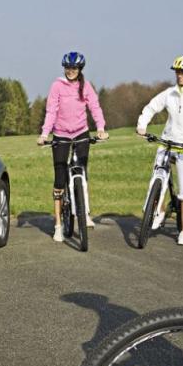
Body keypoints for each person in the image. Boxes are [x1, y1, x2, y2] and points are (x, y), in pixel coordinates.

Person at [136, 54, 183, 246]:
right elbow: (151, 108)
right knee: (157, 180)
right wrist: (142, 125)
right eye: (178, 72)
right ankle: (158, 212)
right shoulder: (169, 93)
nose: (180, 75)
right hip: (166, 143)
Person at [37, 51, 108, 242]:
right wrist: (44, 134)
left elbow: (95, 107)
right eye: (68, 68)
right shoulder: (57, 86)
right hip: (60, 134)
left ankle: (85, 212)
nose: (70, 71)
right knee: (59, 180)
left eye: (74, 68)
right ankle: (58, 226)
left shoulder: (86, 86)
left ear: (80, 69)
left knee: (82, 172)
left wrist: (101, 128)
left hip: (81, 133)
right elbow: (51, 111)